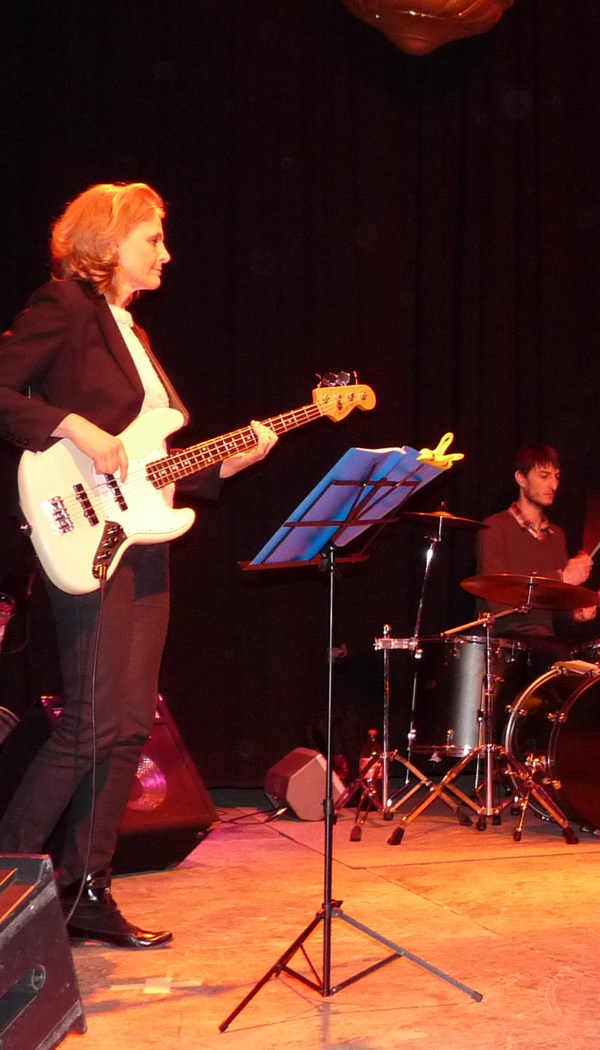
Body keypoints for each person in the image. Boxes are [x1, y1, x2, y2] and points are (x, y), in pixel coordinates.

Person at [0, 183, 277, 947]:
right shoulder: (65, 306)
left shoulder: (134, 333)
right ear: (108, 240)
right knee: (90, 721)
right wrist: (72, 426)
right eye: (152, 238)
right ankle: (8, 875)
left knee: (126, 725)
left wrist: (232, 460)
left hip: (144, 541)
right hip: (83, 536)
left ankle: (86, 890)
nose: (166, 252)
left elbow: (155, 461)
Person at [476, 444, 596, 649]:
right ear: (521, 479)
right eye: (544, 476)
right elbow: (496, 601)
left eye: (556, 477)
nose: (553, 485)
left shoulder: (557, 535)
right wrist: (562, 578)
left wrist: (575, 613)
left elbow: (552, 612)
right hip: (503, 644)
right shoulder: (494, 527)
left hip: (545, 643)